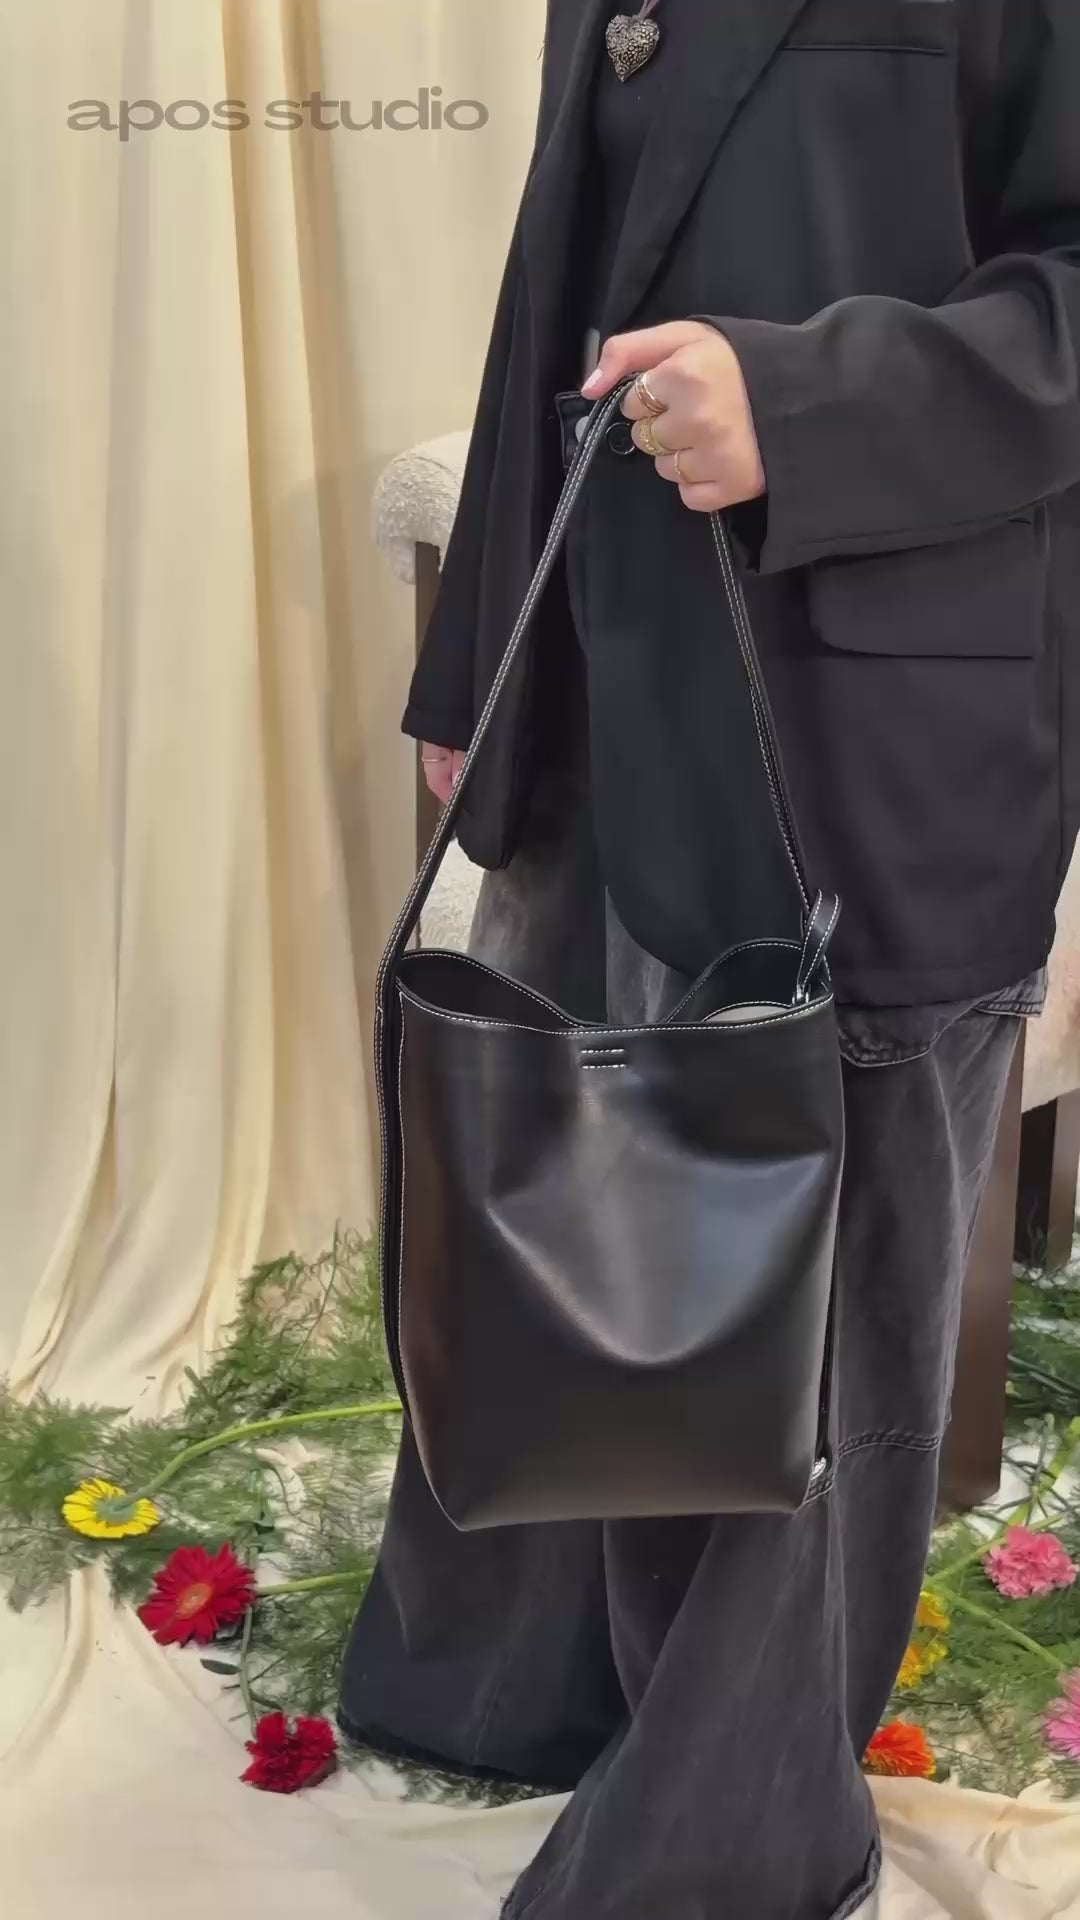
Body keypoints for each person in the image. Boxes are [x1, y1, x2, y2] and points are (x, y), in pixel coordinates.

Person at [341, 4, 1080, 1914]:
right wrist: (482, 662)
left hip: (867, 710)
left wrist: (810, 404)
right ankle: (523, 1683)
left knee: (811, 1317)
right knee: (550, 1228)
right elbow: (567, 269)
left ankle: (718, 1858)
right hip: (604, 689)